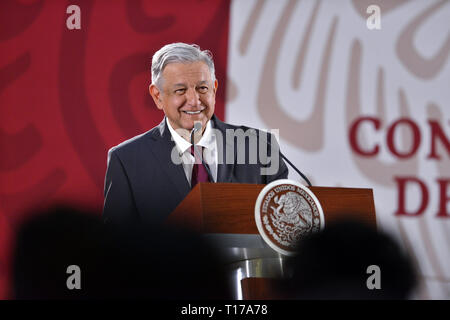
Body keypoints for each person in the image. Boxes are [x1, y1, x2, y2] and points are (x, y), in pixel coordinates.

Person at [103, 43, 288, 226]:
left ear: (214, 89)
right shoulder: (127, 160)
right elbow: (115, 246)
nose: (194, 100)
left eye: (202, 88)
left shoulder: (261, 146)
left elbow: (283, 225)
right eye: (180, 90)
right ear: (157, 96)